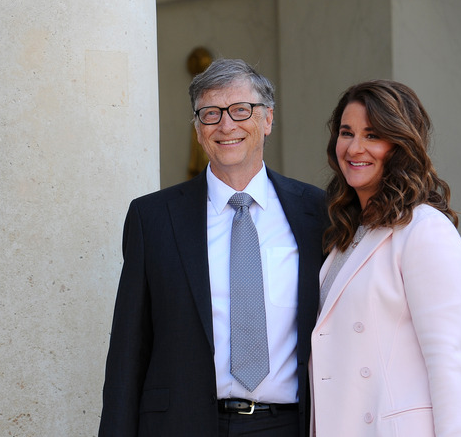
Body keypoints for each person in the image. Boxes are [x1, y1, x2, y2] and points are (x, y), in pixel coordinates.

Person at [99, 58, 329, 437]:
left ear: (267, 119)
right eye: (210, 113)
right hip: (181, 425)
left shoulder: (317, 212)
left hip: (290, 425)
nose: (226, 125)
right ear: (197, 128)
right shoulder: (152, 218)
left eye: (241, 110)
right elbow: (128, 351)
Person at [310, 80, 461, 436]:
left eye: (372, 135)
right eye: (347, 132)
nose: (355, 148)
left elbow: (446, 364)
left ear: (400, 145)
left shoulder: (425, 230)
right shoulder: (348, 233)